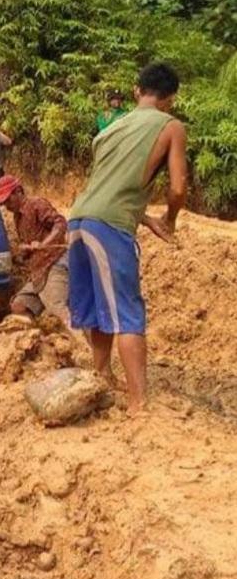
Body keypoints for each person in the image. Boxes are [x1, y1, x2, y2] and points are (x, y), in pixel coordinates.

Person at [68, 62, 187, 415]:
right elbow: (178, 188)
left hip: (77, 220)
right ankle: (138, 402)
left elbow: (109, 185)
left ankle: (102, 374)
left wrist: (145, 219)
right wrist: (169, 218)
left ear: (137, 91)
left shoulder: (111, 127)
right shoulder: (171, 126)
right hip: (110, 227)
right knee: (127, 313)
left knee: (97, 308)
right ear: (171, 98)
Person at [0, 175, 70, 326]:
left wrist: (44, 243)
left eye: (8, 200)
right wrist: (23, 252)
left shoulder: (36, 204)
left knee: (57, 308)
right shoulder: (17, 217)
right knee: (19, 305)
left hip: (54, 264)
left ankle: (82, 343)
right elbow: (28, 251)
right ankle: (35, 340)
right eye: (4, 203)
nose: (6, 206)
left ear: (19, 192)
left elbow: (60, 223)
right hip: (38, 272)